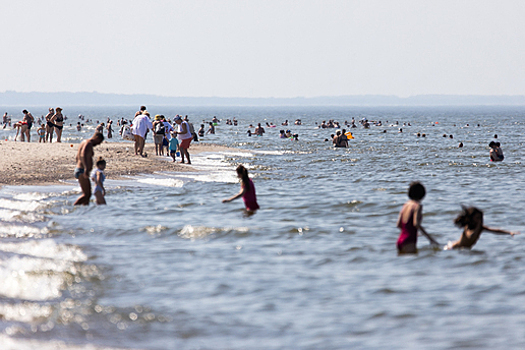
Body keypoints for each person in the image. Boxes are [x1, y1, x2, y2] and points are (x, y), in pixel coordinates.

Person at [444, 207, 519, 250]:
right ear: (472, 218)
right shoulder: (468, 227)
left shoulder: (480, 228)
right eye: (477, 218)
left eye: (480, 218)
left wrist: (509, 232)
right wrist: (478, 227)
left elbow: (495, 231)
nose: (480, 220)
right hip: (452, 248)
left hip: (462, 249)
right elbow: (470, 236)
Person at [396, 182, 439, 253]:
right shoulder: (417, 206)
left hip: (400, 240)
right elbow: (416, 224)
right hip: (409, 241)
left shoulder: (405, 205)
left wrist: (410, 231)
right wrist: (430, 238)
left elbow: (398, 225)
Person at [74, 132, 104, 205]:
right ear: (97, 138)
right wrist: (86, 168)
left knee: (87, 197)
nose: (98, 144)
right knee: (87, 195)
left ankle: (85, 213)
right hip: (82, 171)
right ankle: (73, 207)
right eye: (99, 142)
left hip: (80, 169)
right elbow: (82, 155)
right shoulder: (88, 143)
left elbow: (77, 157)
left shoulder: (84, 142)